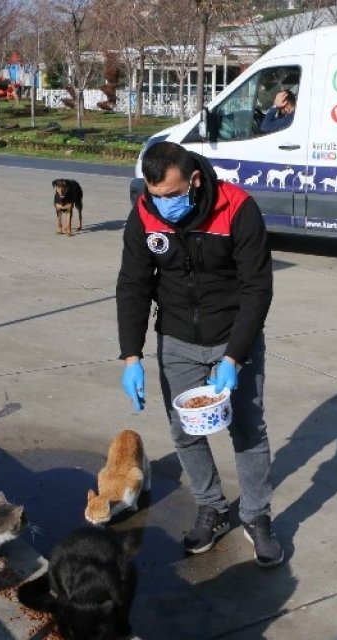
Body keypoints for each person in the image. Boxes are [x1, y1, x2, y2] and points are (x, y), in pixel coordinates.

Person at [116, 141, 283, 567]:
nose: (163, 204)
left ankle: (257, 517)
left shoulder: (237, 207)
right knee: (185, 431)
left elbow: (257, 288)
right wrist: (131, 357)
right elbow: (133, 284)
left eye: (171, 195)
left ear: (192, 180)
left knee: (247, 428)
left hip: (233, 336)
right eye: (155, 195)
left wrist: (234, 359)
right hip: (176, 340)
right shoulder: (146, 213)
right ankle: (212, 506)